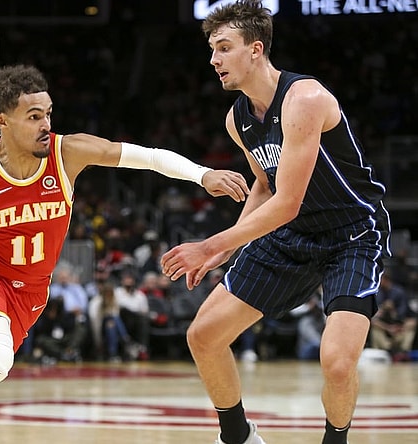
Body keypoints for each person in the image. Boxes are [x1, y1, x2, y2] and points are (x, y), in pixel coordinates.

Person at [0, 63, 249, 444]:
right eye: (33, 116)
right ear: (2, 121)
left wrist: (202, 174)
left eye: (48, 113)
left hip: (31, 293)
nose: (46, 124)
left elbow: (146, 157)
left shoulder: (67, 153)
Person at [159, 2, 391, 444]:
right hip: (293, 233)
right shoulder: (237, 119)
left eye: (224, 48)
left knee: (338, 363)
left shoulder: (305, 99)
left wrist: (210, 245)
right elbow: (264, 186)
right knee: (204, 336)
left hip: (352, 234)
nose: (214, 60)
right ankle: (238, 437)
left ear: (255, 50)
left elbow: (286, 201)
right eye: (212, 50)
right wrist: (226, 249)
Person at [369, 272, 416, 360]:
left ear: (386, 280)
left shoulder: (399, 292)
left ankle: (405, 353)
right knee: (373, 326)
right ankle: (384, 352)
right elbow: (374, 317)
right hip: (384, 327)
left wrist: (393, 310)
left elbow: (403, 314)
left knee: (412, 325)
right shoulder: (377, 292)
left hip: (399, 326)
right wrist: (388, 327)